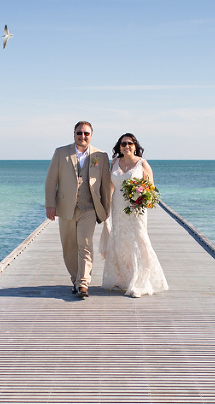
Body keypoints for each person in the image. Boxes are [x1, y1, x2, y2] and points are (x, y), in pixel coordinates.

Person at [45, 121, 112, 298]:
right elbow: (51, 181)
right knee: (69, 246)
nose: (83, 136)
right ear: (74, 134)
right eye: (79, 133)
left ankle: (83, 283)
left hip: (89, 208)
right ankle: (75, 278)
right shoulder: (61, 153)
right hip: (66, 207)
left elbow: (105, 184)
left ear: (91, 135)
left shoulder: (101, 156)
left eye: (86, 133)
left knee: (85, 244)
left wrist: (106, 207)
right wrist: (49, 205)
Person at [102, 133, 169, 298]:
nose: (127, 146)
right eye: (123, 144)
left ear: (135, 145)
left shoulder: (142, 164)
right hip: (118, 207)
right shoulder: (115, 163)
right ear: (119, 147)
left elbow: (151, 189)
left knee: (138, 239)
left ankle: (139, 283)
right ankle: (125, 278)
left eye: (130, 143)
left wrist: (140, 198)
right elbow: (111, 187)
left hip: (136, 209)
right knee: (120, 241)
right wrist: (106, 207)